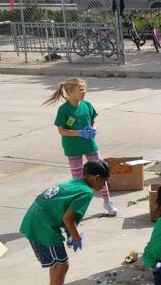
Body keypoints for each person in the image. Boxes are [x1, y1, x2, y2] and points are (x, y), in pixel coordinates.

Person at [19, 160, 110, 285]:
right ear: (97, 178)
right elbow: (68, 218)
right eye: (104, 181)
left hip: (34, 221)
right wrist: (76, 237)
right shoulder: (86, 193)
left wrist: (70, 233)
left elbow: (63, 210)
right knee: (62, 265)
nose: (104, 185)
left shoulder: (74, 183)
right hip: (43, 227)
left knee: (57, 264)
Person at [43, 77, 117, 216]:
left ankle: (108, 201)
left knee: (101, 174)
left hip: (90, 145)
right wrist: (79, 133)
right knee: (78, 179)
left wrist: (94, 128)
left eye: (84, 89)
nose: (84, 92)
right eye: (81, 90)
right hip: (73, 148)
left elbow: (94, 120)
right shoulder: (64, 110)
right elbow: (61, 130)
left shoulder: (87, 105)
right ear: (70, 92)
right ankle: (76, 208)